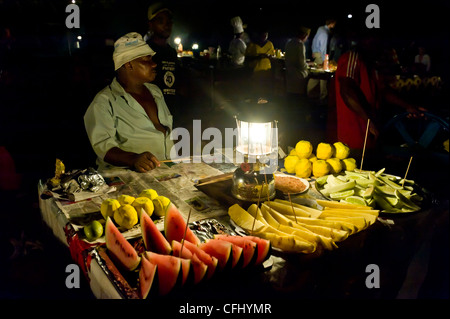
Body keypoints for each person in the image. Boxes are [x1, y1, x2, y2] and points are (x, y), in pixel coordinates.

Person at [84, 32, 173, 172]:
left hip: (164, 172)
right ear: (129, 65)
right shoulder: (104, 102)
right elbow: (103, 146)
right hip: (126, 178)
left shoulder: (155, 92)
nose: (154, 64)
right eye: (147, 60)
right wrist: (133, 159)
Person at [335, 32, 426, 156]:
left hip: (372, 136)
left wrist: (408, 106)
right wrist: (368, 121)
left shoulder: (372, 64)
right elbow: (347, 91)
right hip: (354, 137)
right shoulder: (352, 58)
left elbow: (383, 91)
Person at [143, 2, 180, 122]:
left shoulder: (172, 53)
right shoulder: (145, 52)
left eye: (169, 22)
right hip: (152, 115)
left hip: (171, 111)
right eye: (160, 21)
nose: (166, 25)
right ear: (151, 25)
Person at [308, 19, 337, 102]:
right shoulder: (324, 33)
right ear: (332, 23)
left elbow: (314, 42)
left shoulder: (320, 28)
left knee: (315, 75)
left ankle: (310, 94)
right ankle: (323, 98)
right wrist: (325, 61)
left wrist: (314, 52)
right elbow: (323, 48)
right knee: (323, 77)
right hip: (320, 56)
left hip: (316, 54)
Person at [245, 26, 275, 101]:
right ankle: (255, 104)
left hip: (266, 70)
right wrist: (258, 57)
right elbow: (247, 58)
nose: (265, 37)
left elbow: (272, 56)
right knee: (256, 90)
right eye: (263, 35)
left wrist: (269, 56)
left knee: (265, 90)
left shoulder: (269, 44)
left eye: (266, 35)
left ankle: (265, 105)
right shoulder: (252, 45)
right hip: (255, 71)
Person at [284, 25, 311, 96]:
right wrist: (307, 67)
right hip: (297, 76)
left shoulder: (289, 43)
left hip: (289, 74)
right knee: (297, 98)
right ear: (305, 35)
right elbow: (301, 63)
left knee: (290, 96)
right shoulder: (300, 45)